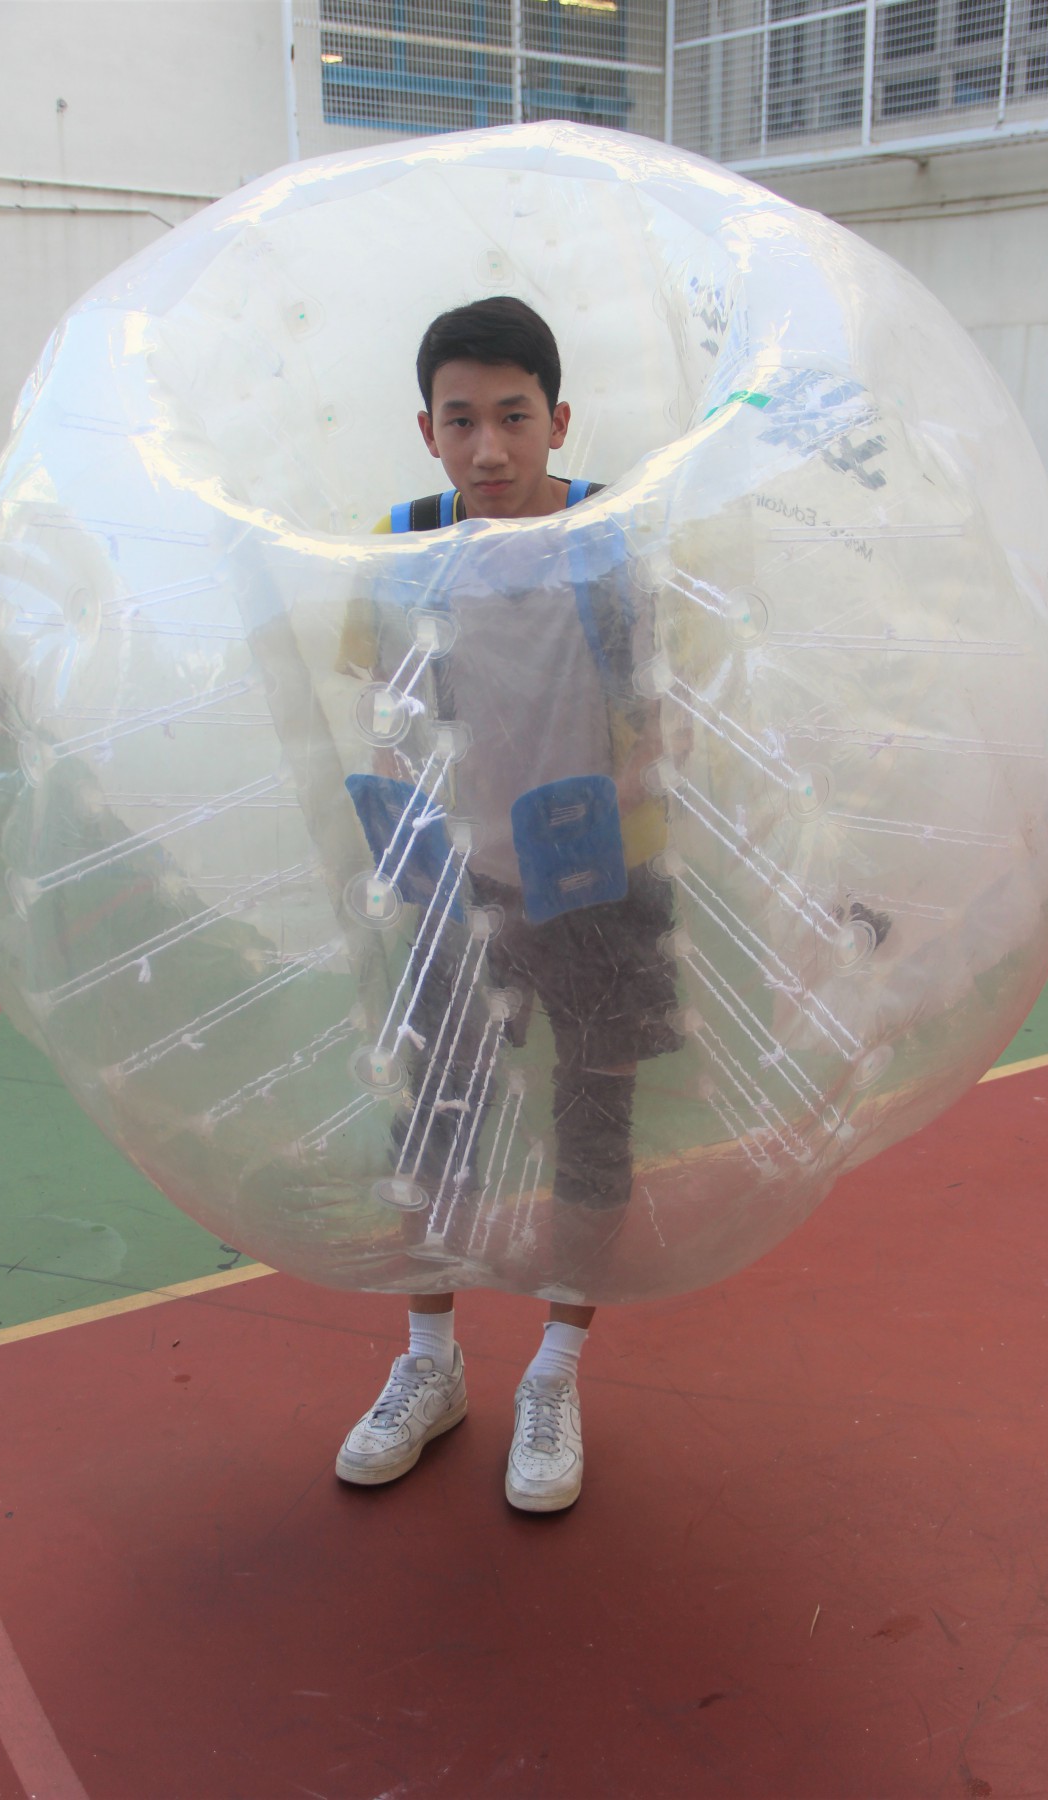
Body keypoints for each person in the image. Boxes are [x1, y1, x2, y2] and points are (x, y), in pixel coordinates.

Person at [335, 298, 680, 1511]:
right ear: (426, 429)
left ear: (559, 419)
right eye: (461, 420)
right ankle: (428, 1364)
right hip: (460, 883)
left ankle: (554, 1374)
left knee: (594, 1126)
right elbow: (383, 710)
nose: (488, 449)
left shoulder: (613, 543)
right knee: (433, 1126)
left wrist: (612, 799)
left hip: (601, 880)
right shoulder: (402, 546)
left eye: (514, 417)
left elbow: (667, 716)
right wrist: (407, 823)